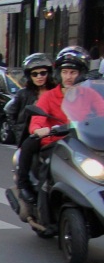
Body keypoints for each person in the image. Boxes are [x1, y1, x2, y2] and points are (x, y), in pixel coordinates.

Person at [14, 47, 99, 202]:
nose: (68, 77)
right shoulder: (48, 96)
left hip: (83, 143)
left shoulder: (90, 95)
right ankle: (28, 188)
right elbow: (37, 120)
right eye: (65, 72)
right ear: (59, 73)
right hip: (55, 143)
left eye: (73, 72)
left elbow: (102, 112)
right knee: (36, 155)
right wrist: (40, 130)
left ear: (81, 74)